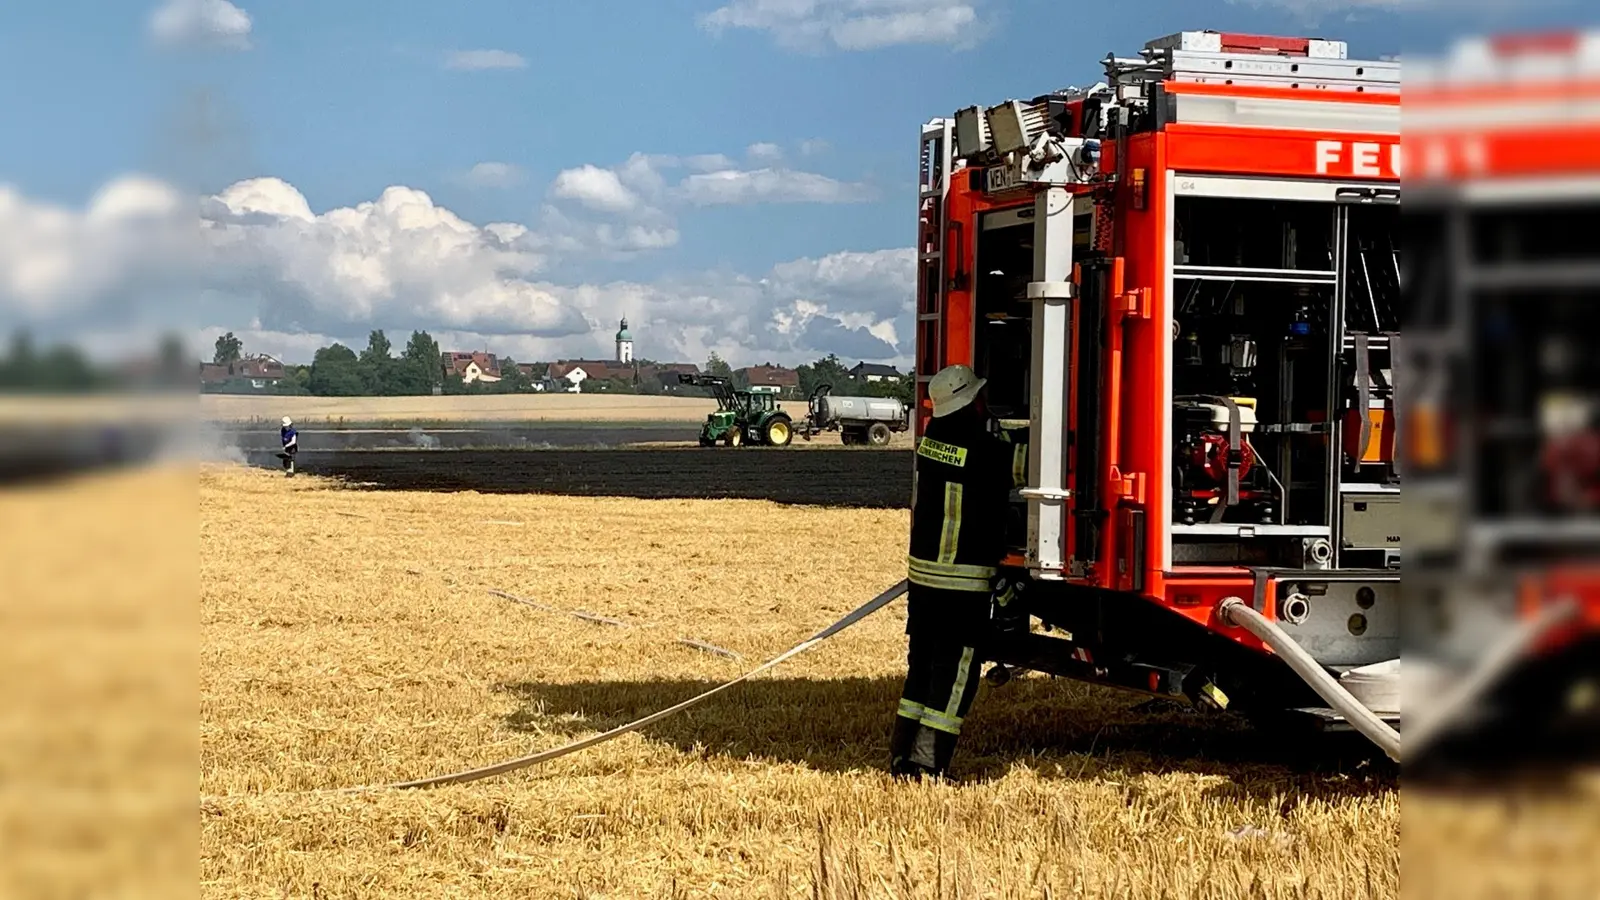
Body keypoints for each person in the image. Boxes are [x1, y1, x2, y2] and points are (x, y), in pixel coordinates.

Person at [890, 364, 1024, 781]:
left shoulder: (932, 441)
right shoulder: (983, 451)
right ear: (972, 403)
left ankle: (902, 757)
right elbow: (1029, 465)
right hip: (961, 583)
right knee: (956, 674)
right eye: (981, 397)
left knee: (922, 670)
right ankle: (929, 765)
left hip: (924, 581)